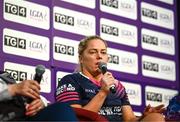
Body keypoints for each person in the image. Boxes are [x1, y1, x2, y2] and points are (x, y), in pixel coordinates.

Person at [56, 35, 165, 121]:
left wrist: (143, 117)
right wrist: (103, 93)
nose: (99, 56)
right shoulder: (70, 81)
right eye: (93, 52)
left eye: (103, 52)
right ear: (81, 58)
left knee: (155, 118)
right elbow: (75, 119)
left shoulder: (117, 86)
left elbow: (129, 120)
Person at [0, 71, 78, 121]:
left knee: (62, 109)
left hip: (24, 117)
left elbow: (22, 94)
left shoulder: (4, 76)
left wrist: (40, 104)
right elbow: (14, 89)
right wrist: (12, 89)